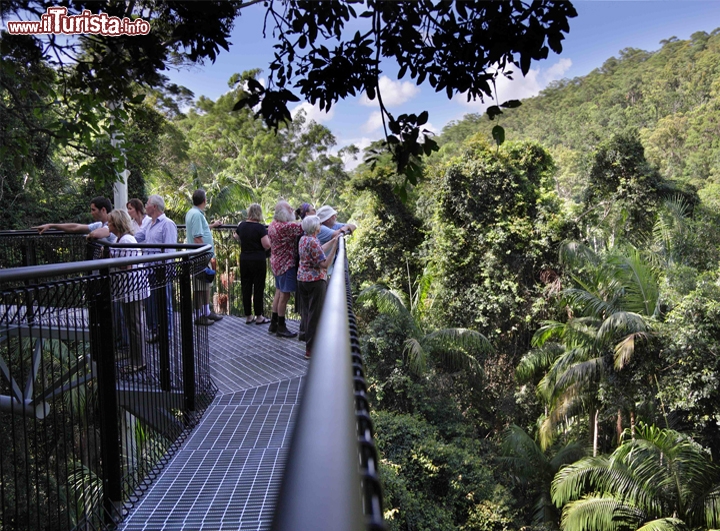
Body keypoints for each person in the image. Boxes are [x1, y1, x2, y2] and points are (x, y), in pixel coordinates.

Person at [107, 209, 148, 373]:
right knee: (132, 324)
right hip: (127, 289)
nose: (108, 224)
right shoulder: (120, 239)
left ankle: (139, 361)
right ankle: (135, 357)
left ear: (117, 223)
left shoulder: (127, 240)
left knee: (135, 325)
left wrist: (111, 260)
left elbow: (127, 265)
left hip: (133, 289)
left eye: (110, 222)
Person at [135, 194, 178, 343]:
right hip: (149, 271)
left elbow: (169, 251)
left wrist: (166, 270)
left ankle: (167, 334)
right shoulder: (149, 224)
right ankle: (156, 331)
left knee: (164, 303)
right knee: (152, 303)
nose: (145, 206)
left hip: (161, 271)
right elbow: (137, 237)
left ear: (154, 207)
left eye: (147, 204)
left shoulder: (167, 224)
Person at [297, 215, 339, 359]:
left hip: (302, 279)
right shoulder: (313, 241)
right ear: (316, 227)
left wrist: (332, 240)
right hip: (315, 281)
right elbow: (324, 264)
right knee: (315, 314)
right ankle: (311, 349)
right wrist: (334, 247)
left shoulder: (304, 239)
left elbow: (318, 251)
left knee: (308, 312)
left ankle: (308, 342)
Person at [185, 189, 223, 326]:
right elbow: (197, 237)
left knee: (205, 285)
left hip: (200, 256)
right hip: (200, 257)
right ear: (204, 201)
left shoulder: (194, 213)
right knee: (200, 287)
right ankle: (200, 315)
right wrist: (207, 256)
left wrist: (212, 226)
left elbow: (201, 230)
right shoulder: (196, 215)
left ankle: (206, 311)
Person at [267, 200, 304, 338]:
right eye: (290, 209)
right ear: (283, 212)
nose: (292, 210)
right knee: (285, 295)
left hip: (276, 263)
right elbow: (304, 227)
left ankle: (274, 322)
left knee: (278, 292)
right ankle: (281, 327)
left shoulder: (272, 225)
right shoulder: (285, 227)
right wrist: (306, 215)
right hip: (286, 264)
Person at [234, 203, 271, 325]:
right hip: (258, 260)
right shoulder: (260, 228)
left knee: (246, 286)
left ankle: (248, 315)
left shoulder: (242, 226)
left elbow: (236, 236)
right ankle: (259, 316)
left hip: (244, 258)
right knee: (258, 287)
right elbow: (266, 245)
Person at [33, 196, 117, 243]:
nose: (91, 213)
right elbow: (75, 227)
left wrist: (89, 235)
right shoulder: (99, 225)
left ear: (103, 210)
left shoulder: (113, 225)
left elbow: (98, 234)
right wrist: (51, 225)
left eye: (93, 210)